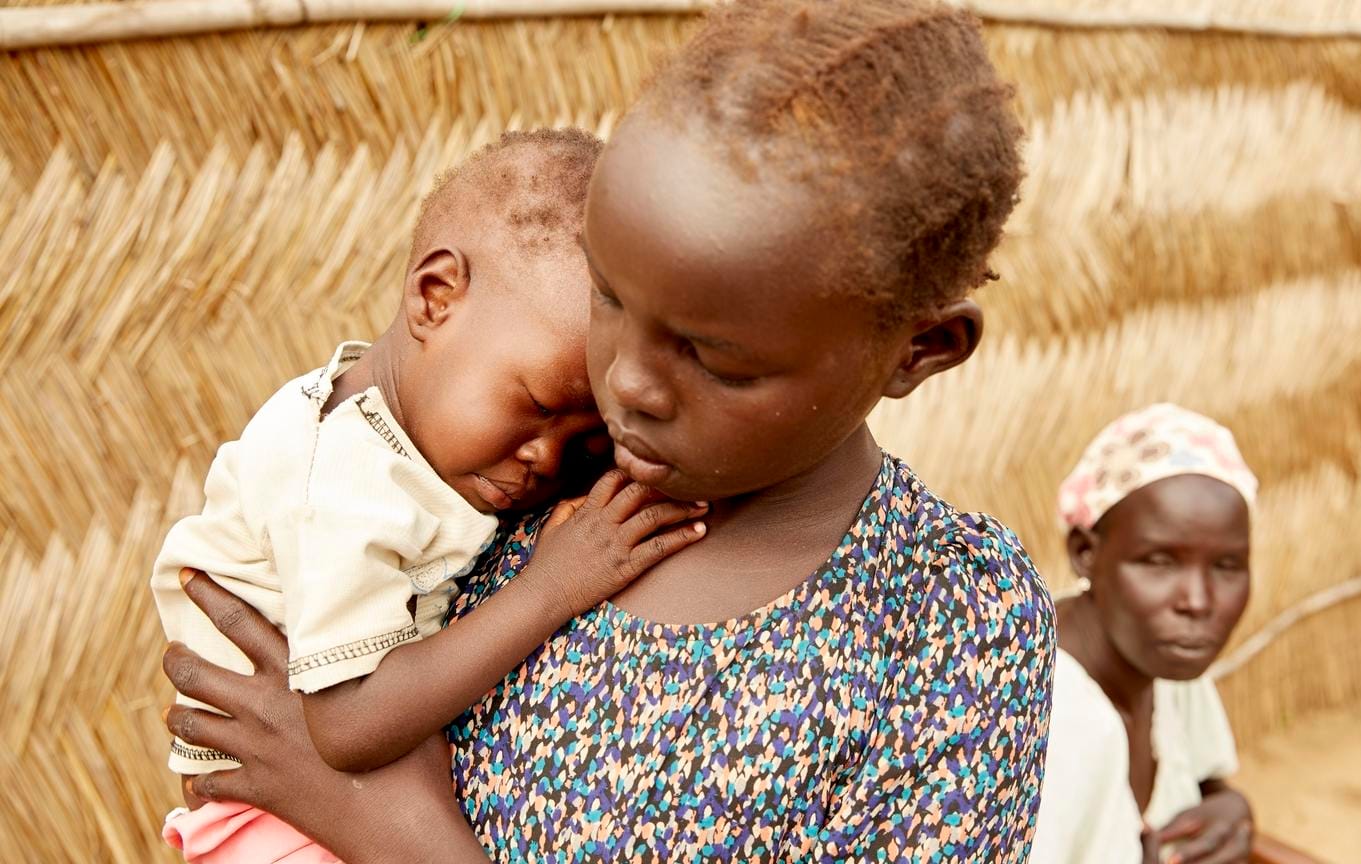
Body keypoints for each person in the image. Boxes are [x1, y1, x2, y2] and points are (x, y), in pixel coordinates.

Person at [159, 0, 1057, 861]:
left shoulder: (947, 624)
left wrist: (384, 826)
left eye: (717, 360)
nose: (624, 381)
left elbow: (343, 758)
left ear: (921, 349)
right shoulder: (518, 467)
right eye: (609, 297)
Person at [151, 130, 709, 863]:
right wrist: (553, 585)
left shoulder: (403, 441)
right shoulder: (344, 481)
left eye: (589, 442)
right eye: (538, 403)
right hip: (276, 830)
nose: (548, 457)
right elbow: (348, 728)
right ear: (435, 297)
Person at [1030, 404, 1258, 864]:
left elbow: (1208, 788)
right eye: (1159, 561)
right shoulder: (1038, 710)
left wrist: (1233, 809)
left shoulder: (1171, 669)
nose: (1197, 601)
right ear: (1085, 553)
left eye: (1227, 566)